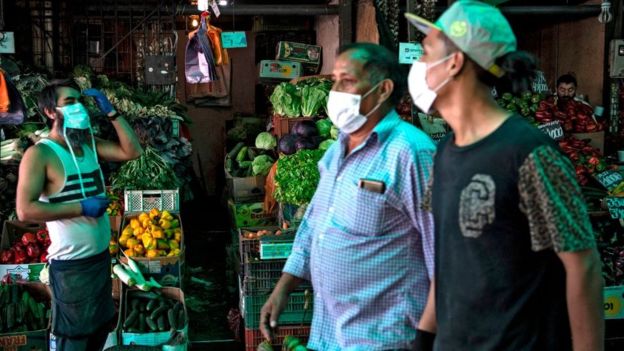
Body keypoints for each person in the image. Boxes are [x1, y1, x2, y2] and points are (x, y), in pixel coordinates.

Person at [405, 1, 604, 350]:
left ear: (455, 62)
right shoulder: (444, 154)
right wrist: (425, 336)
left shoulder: (531, 154)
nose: (418, 64)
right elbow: (448, 258)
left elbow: (582, 265)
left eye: (426, 52)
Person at [259, 43, 436, 350]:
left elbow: (444, 252)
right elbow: (314, 224)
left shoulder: (412, 153)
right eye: (336, 80)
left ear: (383, 90)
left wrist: (426, 337)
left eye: (347, 81)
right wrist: (284, 287)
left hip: (385, 338)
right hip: (329, 334)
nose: (335, 90)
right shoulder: (337, 150)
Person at [16, 79, 143, 351]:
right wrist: (81, 208)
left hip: (99, 260)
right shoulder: (40, 154)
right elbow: (25, 209)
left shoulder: (88, 145)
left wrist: (113, 113)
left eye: (81, 101)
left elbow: (132, 151)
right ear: (51, 112)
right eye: (70, 102)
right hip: (72, 267)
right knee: (73, 340)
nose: (79, 108)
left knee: (100, 330)